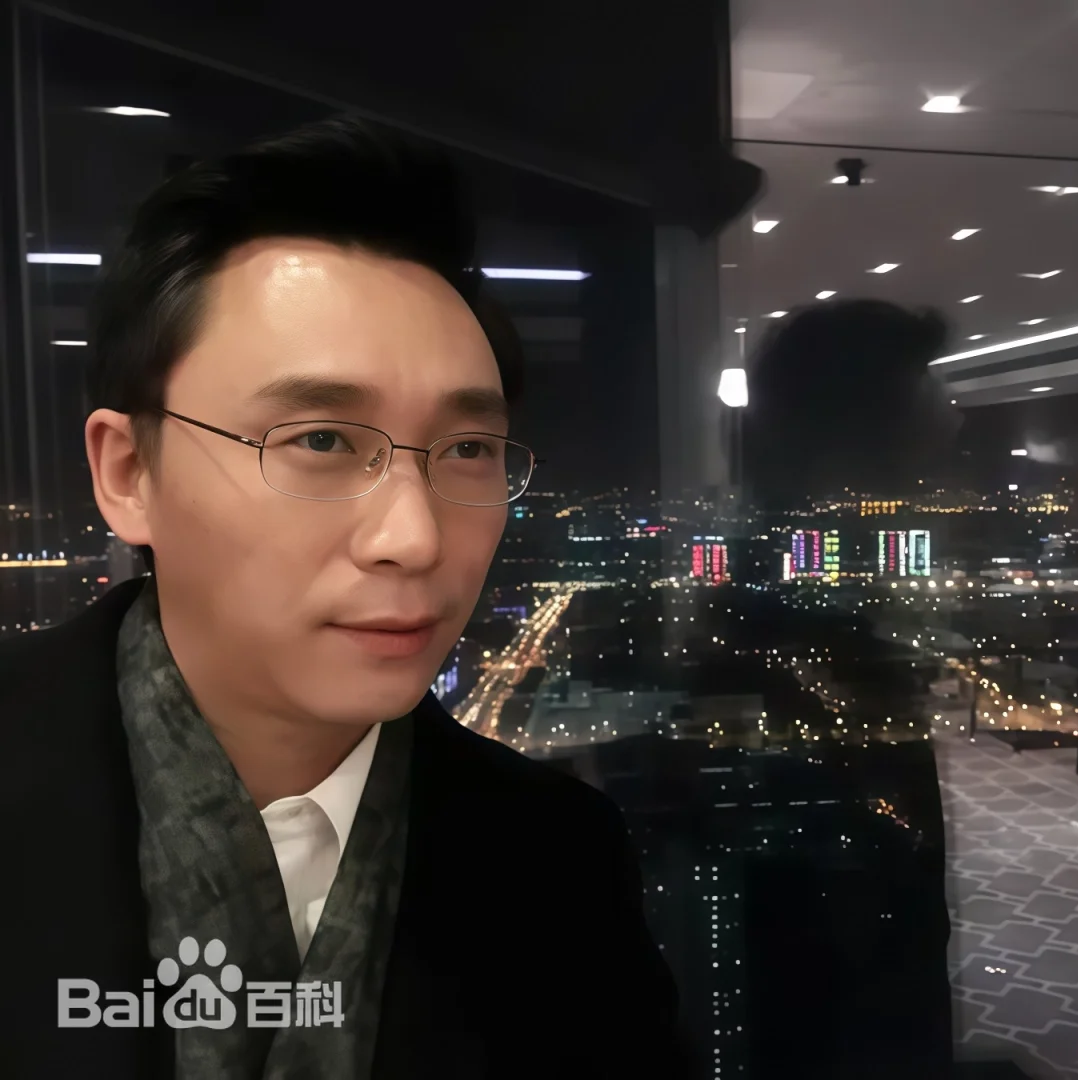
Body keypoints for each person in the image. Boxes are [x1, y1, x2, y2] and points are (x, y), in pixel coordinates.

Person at [0, 117, 688, 1079]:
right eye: (320, 441)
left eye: (468, 449)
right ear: (128, 473)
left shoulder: (554, 854)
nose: (414, 537)